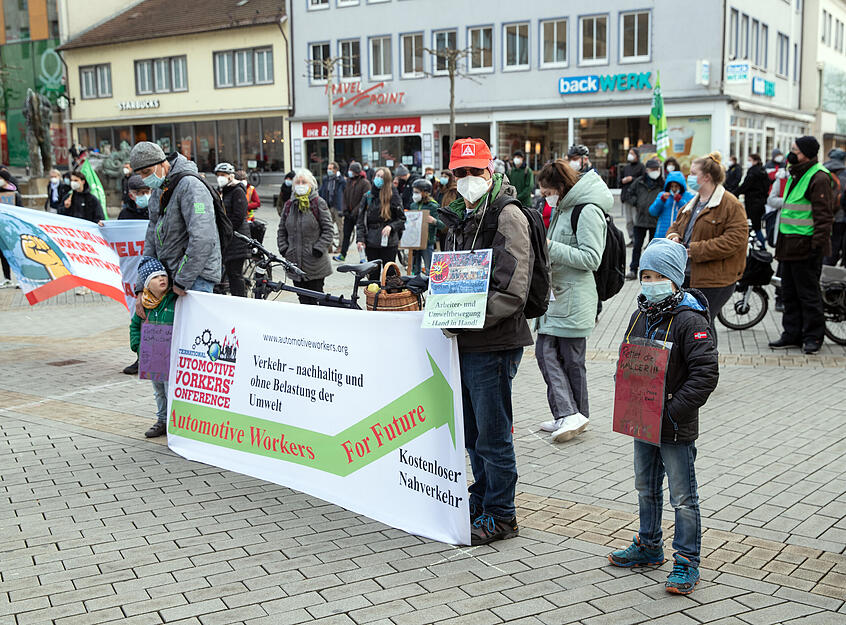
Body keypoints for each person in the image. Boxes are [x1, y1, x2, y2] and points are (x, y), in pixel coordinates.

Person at [607, 238, 719, 597]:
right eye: (646, 276)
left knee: (682, 497)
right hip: (642, 421)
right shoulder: (641, 314)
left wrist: (671, 412)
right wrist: (623, 387)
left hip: (674, 425)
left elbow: (705, 374)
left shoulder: (690, 319)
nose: (651, 283)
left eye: (659, 277)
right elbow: (630, 358)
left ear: (674, 280)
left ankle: (686, 560)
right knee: (645, 487)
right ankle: (649, 545)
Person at [437, 138, 535, 545]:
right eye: (460, 172)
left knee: (493, 437)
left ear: (489, 170)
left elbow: (513, 288)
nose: (467, 178)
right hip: (467, 341)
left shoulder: (507, 215)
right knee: (474, 435)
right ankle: (482, 497)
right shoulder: (461, 215)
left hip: (493, 341)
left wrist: (465, 319)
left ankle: (502, 514)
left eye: (474, 171)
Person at [535, 160, 609, 443]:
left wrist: (550, 247)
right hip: (557, 298)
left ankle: (570, 413)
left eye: (547, 193)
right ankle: (572, 415)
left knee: (560, 357)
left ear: (561, 187)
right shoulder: (563, 208)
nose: (546, 198)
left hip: (574, 298)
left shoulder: (586, 210)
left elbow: (592, 258)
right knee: (561, 358)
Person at [666, 152, 748, 347]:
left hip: (715, 279)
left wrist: (695, 250)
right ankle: (692, 361)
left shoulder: (730, 204)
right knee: (689, 323)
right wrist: (673, 236)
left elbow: (735, 239)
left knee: (702, 323)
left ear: (707, 177)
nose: (689, 177)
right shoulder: (693, 202)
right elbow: (676, 226)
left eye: (694, 173)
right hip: (688, 274)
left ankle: (706, 361)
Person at [130, 141, 221, 307]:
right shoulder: (160, 188)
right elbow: (151, 239)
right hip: (172, 277)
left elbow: (203, 237)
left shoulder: (190, 186)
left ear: (162, 163)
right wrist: (142, 284)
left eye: (147, 172)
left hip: (195, 279)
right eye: (140, 174)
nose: (144, 179)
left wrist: (182, 279)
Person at [768, 136, 835, 354]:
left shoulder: (818, 177)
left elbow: (824, 217)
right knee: (789, 293)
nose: (791, 153)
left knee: (808, 295)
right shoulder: (797, 173)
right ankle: (792, 334)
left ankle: (813, 337)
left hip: (806, 248)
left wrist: (817, 247)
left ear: (806, 153)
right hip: (789, 246)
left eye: (795, 150)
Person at [129, 257, 177, 438]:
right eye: (155, 278)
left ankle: (173, 422)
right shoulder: (144, 306)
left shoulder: (174, 301)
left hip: (169, 355)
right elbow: (135, 326)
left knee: (169, 389)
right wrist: (138, 346)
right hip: (152, 357)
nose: (161, 279)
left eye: (163, 276)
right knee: (158, 391)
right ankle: (162, 420)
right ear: (147, 285)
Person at [277, 169, 334, 304]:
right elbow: (281, 230)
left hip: (315, 263)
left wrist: (318, 248)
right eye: (298, 182)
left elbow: (328, 230)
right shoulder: (289, 205)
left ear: (311, 185)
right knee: (302, 300)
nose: (300, 185)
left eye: (304, 182)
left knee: (316, 299)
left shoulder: (318, 203)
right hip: (294, 262)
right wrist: (284, 248)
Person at [356, 167, 405, 275]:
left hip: (389, 241)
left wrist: (391, 227)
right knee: (373, 274)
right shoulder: (368, 196)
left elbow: (402, 219)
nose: (378, 179)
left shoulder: (393, 196)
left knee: (390, 274)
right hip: (371, 240)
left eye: (382, 177)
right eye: (377, 176)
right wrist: (360, 239)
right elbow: (360, 221)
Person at [215, 163, 250, 298]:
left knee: (235, 274)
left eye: (223, 175)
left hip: (237, 239)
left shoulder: (237, 191)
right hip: (228, 238)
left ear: (230, 176)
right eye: (218, 175)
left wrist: (226, 230)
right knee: (230, 272)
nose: (220, 178)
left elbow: (239, 216)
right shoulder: (224, 191)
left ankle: (240, 300)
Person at [626, 159, 663, 279]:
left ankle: (653, 271)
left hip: (655, 221)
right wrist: (636, 202)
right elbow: (629, 193)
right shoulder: (639, 182)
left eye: (657, 169)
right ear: (647, 170)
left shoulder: (662, 184)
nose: (655, 172)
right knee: (637, 246)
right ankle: (633, 270)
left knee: (653, 248)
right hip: (640, 220)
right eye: (653, 169)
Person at [407, 178, 444, 275]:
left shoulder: (433, 206)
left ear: (425, 192)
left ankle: (430, 283)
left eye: (417, 192)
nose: (414, 194)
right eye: (414, 192)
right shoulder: (413, 205)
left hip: (427, 242)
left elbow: (442, 225)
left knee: (430, 268)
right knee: (415, 268)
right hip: (415, 241)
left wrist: (434, 221)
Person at [335, 162, 370, 262]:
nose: (349, 172)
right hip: (348, 214)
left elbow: (365, 199)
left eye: (351, 170)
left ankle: (363, 257)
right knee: (346, 235)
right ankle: (342, 254)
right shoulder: (349, 182)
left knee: (361, 237)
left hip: (360, 214)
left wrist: (355, 211)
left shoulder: (365, 183)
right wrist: (345, 209)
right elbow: (345, 196)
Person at [649, 171, 694, 239]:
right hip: (662, 233)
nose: (674, 189)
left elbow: (690, 213)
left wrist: (680, 201)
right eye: (671, 186)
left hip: (678, 234)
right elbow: (653, 212)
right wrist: (661, 200)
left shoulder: (688, 196)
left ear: (681, 186)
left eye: (676, 186)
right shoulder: (662, 195)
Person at [736, 153, 769, 243]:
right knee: (756, 225)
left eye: (749, 160)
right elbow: (767, 186)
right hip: (761, 202)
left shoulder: (752, 172)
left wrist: (734, 193)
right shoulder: (763, 171)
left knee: (754, 226)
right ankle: (760, 243)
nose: (747, 162)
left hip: (752, 202)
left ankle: (761, 244)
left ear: (755, 161)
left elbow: (745, 186)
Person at [823, 148, 846, 266]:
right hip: (840, 216)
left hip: (823, 215)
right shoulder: (844, 174)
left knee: (825, 245)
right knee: (835, 245)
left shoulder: (822, 170)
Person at [0, 170, 23, 287]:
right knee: (3, 254)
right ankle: (7, 278)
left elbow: (20, 210)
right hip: (1, 228)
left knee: (15, 254)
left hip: (11, 228)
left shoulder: (14, 193)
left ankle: (20, 279)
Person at [318, 161, 346, 252]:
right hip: (328, 206)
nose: (328, 170)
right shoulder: (326, 179)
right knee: (327, 227)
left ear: (335, 170)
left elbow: (345, 192)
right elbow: (321, 191)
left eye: (330, 169)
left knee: (340, 227)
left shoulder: (341, 180)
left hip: (338, 207)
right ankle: (329, 246)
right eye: (328, 168)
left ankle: (340, 246)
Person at [620, 148, 645, 242]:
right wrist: (623, 181)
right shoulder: (626, 168)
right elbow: (619, 182)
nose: (630, 155)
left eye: (632, 153)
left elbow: (642, 180)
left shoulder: (641, 167)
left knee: (636, 220)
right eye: (629, 153)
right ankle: (631, 238)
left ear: (637, 156)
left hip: (636, 198)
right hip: (626, 197)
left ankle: (637, 239)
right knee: (628, 220)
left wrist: (632, 179)